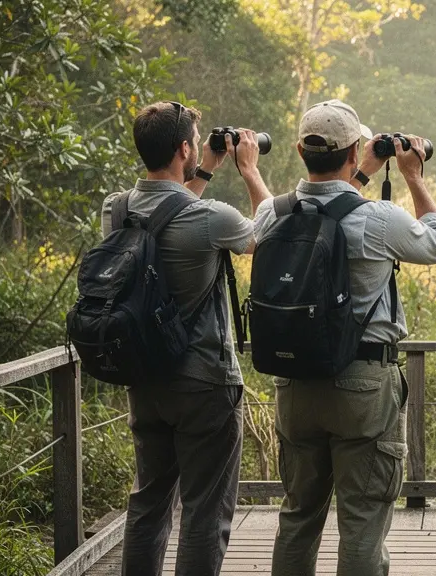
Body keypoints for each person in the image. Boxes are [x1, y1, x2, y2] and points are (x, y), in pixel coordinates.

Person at [254, 99, 436, 576]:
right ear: (354, 151)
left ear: (301, 149)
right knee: (362, 522)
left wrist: (359, 172)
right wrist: (413, 175)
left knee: (298, 516)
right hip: (363, 385)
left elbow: (322, 206)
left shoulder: (270, 214)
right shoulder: (379, 220)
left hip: (294, 384)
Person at [100, 101, 271, 576]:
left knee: (149, 502)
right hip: (204, 384)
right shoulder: (213, 217)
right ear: (182, 149)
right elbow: (266, 235)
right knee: (203, 511)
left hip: (143, 379)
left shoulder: (116, 209)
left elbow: (166, 214)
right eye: (194, 142)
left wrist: (204, 168)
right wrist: (249, 169)